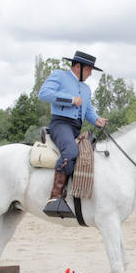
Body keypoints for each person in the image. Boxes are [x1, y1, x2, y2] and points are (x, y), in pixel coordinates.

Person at [38, 50, 108, 217]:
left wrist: (97, 120)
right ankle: (55, 198)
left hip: (76, 128)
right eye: (89, 69)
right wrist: (70, 99)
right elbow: (44, 94)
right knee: (70, 152)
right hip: (60, 124)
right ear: (78, 66)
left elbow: (88, 110)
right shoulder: (59, 76)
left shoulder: (86, 89)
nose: (90, 74)